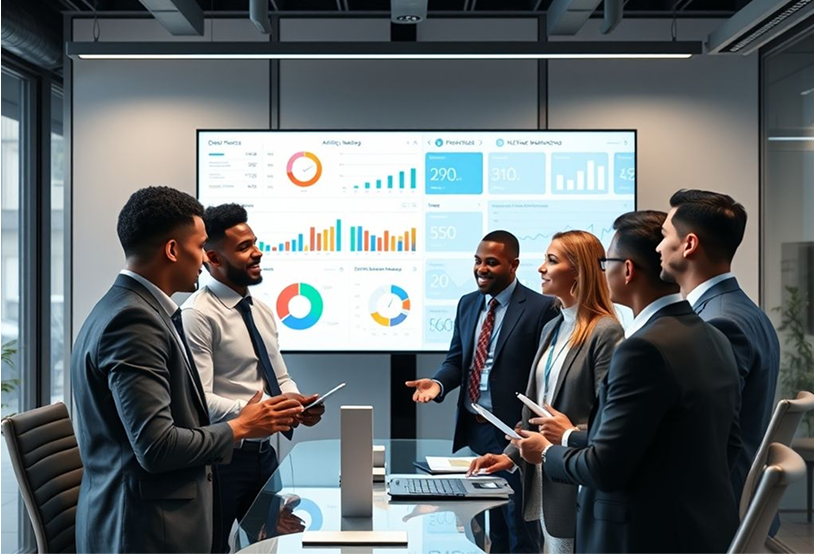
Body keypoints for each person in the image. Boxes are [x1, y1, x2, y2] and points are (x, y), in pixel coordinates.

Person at [71, 187, 304, 554]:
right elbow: (157, 446)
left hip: (150, 518)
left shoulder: (133, 309)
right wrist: (242, 426)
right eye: (199, 247)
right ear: (173, 250)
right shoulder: (133, 320)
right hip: (147, 529)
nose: (203, 261)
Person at [517, 211, 741, 554]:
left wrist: (547, 452)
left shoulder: (642, 348)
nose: (602, 271)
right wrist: (567, 435)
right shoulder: (713, 334)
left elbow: (604, 467)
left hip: (640, 534)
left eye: (606, 261)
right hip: (699, 527)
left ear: (628, 270)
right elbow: (723, 443)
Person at [468, 230, 624, 554]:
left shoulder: (605, 331)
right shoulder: (554, 326)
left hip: (575, 484)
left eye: (551, 261)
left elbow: (610, 422)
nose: (541, 268)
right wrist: (510, 457)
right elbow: (537, 409)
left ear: (579, 272)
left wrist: (569, 433)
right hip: (543, 480)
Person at [181, 203, 325, 553]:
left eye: (255, 243)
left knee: (268, 546)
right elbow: (200, 399)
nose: (257, 252)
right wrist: (263, 413)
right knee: (216, 547)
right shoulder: (197, 315)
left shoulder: (259, 309)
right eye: (244, 247)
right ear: (213, 258)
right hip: (223, 459)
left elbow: (279, 376)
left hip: (265, 456)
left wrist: (296, 402)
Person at [406, 230, 558, 554]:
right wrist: (438, 383)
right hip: (478, 431)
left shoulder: (541, 307)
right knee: (491, 530)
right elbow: (457, 361)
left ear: (514, 265)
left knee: (521, 532)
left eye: (492, 262)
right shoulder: (467, 304)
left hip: (516, 433)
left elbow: (545, 377)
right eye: (477, 261)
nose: (481, 269)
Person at [657, 189, 780, 509]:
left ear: (689, 244)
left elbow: (707, 435)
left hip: (712, 507)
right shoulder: (741, 310)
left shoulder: (719, 323)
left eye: (664, 234)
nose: (658, 246)